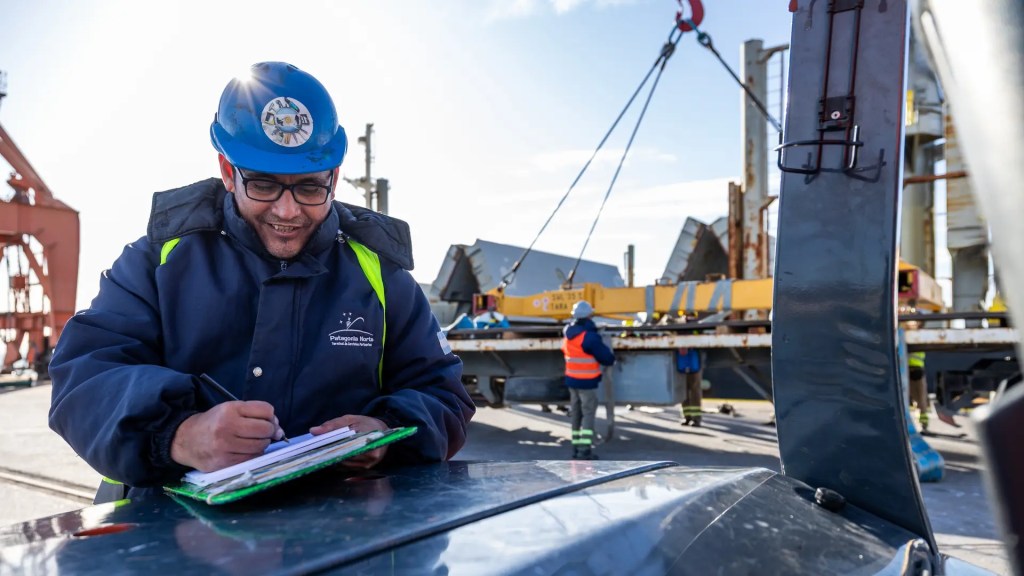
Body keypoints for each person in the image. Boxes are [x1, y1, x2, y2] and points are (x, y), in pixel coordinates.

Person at [47, 62, 475, 497]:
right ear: (228, 172)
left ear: (334, 177)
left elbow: (443, 393)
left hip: (343, 536)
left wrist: (385, 432)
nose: (287, 211)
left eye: (309, 188)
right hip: (170, 542)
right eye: (264, 186)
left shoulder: (381, 275)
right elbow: (83, 379)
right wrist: (180, 436)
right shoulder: (158, 261)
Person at [561, 300, 615, 460]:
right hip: (587, 382)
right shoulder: (589, 337)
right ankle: (585, 450)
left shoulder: (568, 332)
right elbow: (606, 357)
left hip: (572, 380)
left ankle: (576, 448)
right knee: (588, 415)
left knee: (576, 415)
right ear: (589, 316)